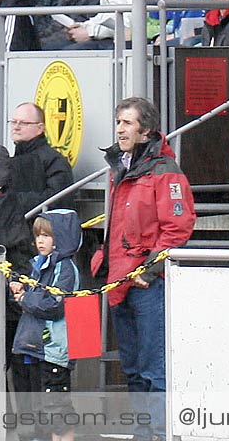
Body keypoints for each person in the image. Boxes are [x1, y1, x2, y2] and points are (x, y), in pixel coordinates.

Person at [98, 96, 192, 432]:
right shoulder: (120, 168)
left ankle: (160, 433)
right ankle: (143, 434)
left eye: (126, 122)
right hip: (121, 280)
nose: (120, 128)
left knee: (154, 369)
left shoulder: (165, 172)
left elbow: (178, 228)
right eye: (118, 122)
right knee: (134, 369)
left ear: (146, 130)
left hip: (149, 283)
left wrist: (149, 271)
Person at [9, 209, 82, 418]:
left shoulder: (65, 267)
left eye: (47, 236)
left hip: (55, 349)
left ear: (62, 238)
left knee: (57, 407)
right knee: (42, 407)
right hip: (39, 347)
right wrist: (21, 289)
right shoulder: (39, 264)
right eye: (38, 236)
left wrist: (24, 299)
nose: (40, 241)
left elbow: (53, 305)